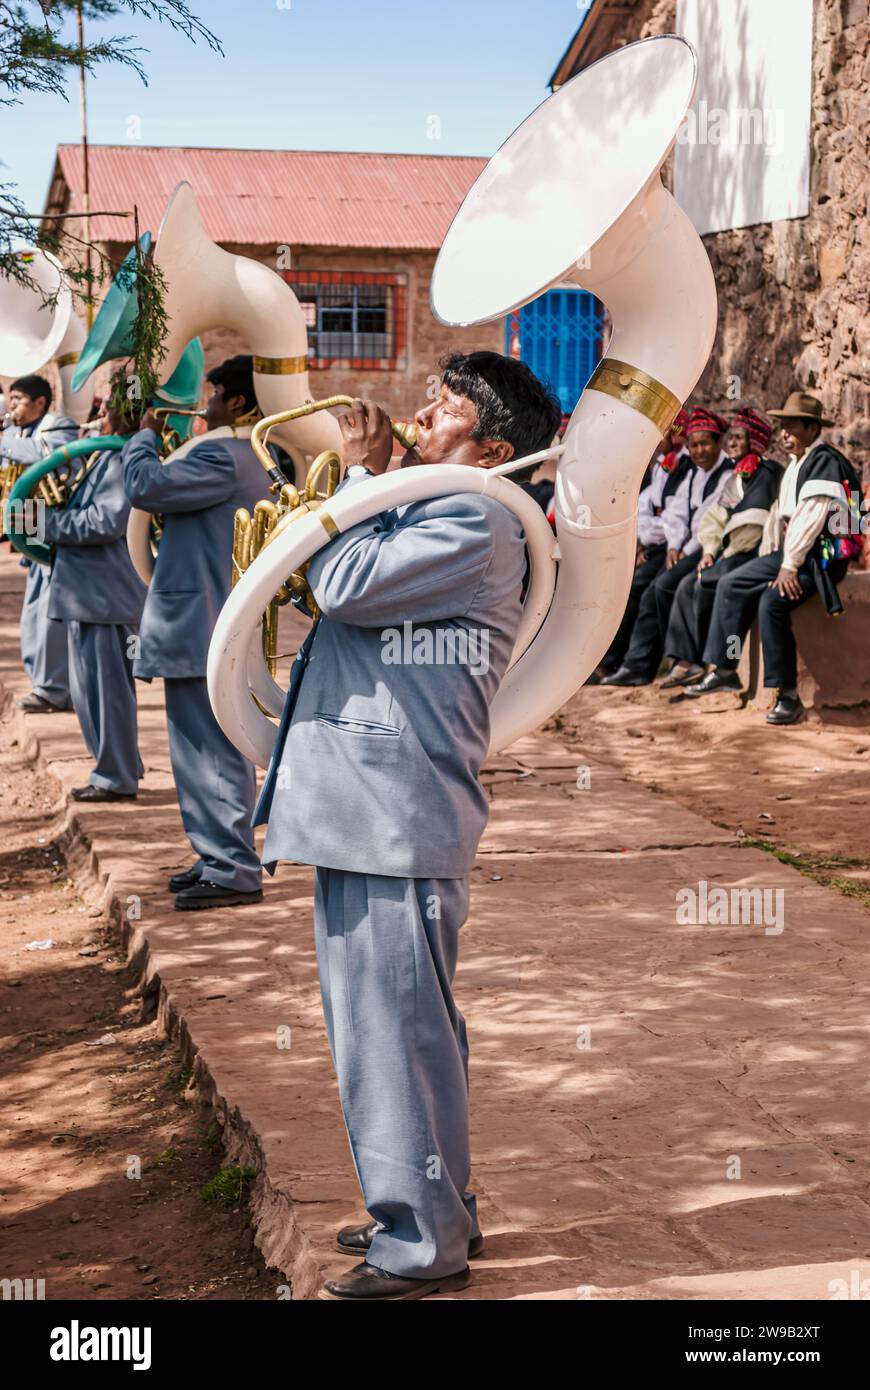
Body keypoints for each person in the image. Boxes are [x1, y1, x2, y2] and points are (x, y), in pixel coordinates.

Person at [254, 351, 561, 1300]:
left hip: (394, 812)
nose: (422, 414)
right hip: (367, 810)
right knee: (398, 1029)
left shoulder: (471, 515)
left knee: (392, 1033)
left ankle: (421, 1246)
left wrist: (358, 478)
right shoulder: (437, 507)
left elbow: (341, 585)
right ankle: (432, 1207)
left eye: (447, 407)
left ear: (493, 446)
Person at [122, 354, 269, 909]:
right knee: (199, 749)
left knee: (207, 749)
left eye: (212, 395)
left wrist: (140, 437)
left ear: (234, 401)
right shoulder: (254, 455)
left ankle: (231, 866)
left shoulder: (220, 454)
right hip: (207, 619)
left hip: (198, 620)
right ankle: (216, 854)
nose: (202, 406)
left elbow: (145, 487)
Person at [684, 392, 862, 723]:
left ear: (812, 429)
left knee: (771, 603)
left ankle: (788, 695)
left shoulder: (824, 461)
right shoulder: (799, 464)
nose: (784, 434)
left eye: (791, 427)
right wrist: (779, 560)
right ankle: (725, 666)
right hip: (793, 553)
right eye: (782, 427)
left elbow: (811, 519)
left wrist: (788, 567)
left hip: (819, 559)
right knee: (730, 583)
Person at [40, 380, 147, 801]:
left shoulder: (121, 459)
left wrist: (46, 525)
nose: (101, 416)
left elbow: (104, 522)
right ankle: (119, 765)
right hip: (86, 592)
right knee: (91, 693)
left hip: (104, 594)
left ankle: (115, 777)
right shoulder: (106, 456)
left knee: (107, 693)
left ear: (125, 414)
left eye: (109, 410)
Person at [602, 407, 734, 686]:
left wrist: (680, 550)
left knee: (659, 587)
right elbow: (676, 511)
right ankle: (623, 662)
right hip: (679, 543)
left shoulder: (726, 474)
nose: (699, 451)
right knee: (636, 585)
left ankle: (669, 661)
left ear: (718, 442)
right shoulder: (693, 474)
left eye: (704, 444)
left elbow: (706, 520)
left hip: (707, 545)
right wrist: (673, 545)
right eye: (694, 445)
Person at [662, 407, 781, 688]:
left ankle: (720, 666)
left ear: (756, 441)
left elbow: (753, 529)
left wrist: (721, 555)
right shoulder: (737, 478)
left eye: (740, 438)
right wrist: (710, 552)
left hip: (752, 553)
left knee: (711, 581)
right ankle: (687, 661)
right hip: (728, 553)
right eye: (732, 438)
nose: (733, 443)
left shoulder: (768, 472)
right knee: (686, 585)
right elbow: (715, 518)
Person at [595, 408, 691, 678]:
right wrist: (638, 540)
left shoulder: (685, 465)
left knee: (647, 591)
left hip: (675, 544)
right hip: (653, 541)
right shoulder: (663, 464)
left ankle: (638, 666)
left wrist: (648, 539)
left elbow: (675, 517)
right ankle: (609, 661)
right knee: (623, 586)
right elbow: (647, 506)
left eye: (660, 432)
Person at [1, 375, 77, 713]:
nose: (11, 405)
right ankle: (43, 684)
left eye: (17, 398)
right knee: (33, 609)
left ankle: (53, 688)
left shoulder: (58, 426)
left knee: (48, 611)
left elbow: (47, 456)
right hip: (29, 527)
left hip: (53, 528)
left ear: (41, 403)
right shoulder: (14, 433)